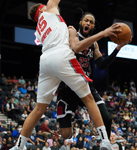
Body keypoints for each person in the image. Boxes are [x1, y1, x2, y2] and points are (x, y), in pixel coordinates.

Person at [10, 1, 122, 150]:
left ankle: (18, 146)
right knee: (88, 98)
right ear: (42, 9)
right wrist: (103, 33)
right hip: (61, 56)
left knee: (38, 109)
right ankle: (105, 141)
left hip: (45, 61)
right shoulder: (49, 10)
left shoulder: (39, 28)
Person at [57, 11, 131, 140]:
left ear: (93, 27)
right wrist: (102, 34)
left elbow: (101, 65)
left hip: (85, 85)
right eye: (86, 20)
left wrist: (118, 48)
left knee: (107, 119)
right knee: (65, 134)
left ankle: (105, 145)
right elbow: (76, 48)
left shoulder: (94, 44)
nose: (88, 23)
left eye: (91, 22)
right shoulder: (72, 33)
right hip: (68, 86)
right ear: (80, 22)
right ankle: (71, 122)